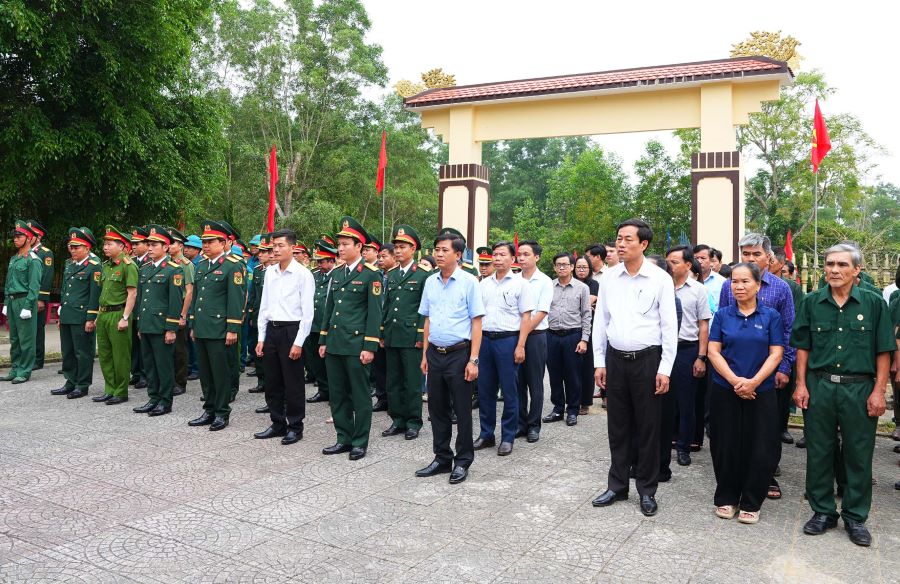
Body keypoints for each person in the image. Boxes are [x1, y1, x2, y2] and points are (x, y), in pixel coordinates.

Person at [792, 243, 895, 547]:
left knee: (858, 454)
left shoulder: (873, 304)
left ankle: (855, 516)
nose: (834, 270)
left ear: (856, 269)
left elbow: (884, 350)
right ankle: (823, 511)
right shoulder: (812, 302)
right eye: (830, 264)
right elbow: (803, 347)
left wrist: (879, 391)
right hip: (820, 385)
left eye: (842, 265)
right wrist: (801, 384)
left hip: (859, 388)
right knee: (819, 451)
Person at [591, 219, 677, 517]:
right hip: (615, 360)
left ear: (644, 244)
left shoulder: (659, 279)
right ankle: (617, 485)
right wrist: (599, 361)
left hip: (648, 361)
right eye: (619, 238)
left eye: (628, 239)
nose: (621, 244)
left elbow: (669, 326)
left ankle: (647, 490)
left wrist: (665, 368)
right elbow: (601, 321)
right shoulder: (609, 278)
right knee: (617, 426)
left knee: (648, 428)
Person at [719, 233, 795, 500]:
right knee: (735, 428)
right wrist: (730, 375)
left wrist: (784, 367)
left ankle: (767, 474)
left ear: (769, 257)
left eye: (756, 254)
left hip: (769, 372)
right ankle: (736, 477)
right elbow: (723, 326)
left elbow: (788, 330)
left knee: (767, 429)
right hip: (733, 371)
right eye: (746, 254)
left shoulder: (781, 288)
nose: (750, 259)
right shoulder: (729, 286)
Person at [707, 262, 784, 524]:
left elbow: (776, 354)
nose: (738, 286)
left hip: (760, 391)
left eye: (745, 281)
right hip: (725, 389)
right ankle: (727, 497)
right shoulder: (723, 315)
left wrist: (753, 382)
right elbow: (713, 351)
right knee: (725, 444)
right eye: (734, 281)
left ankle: (752, 500)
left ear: (758, 285)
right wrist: (735, 381)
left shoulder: (770, 316)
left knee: (760, 446)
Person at [415, 232, 485, 484]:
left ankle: (463, 460)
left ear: (458, 254)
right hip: (435, 353)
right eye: (437, 249)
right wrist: (425, 354)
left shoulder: (469, 282)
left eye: (445, 250)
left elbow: (477, 323)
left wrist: (473, 360)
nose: (439, 254)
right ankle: (442, 457)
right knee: (437, 408)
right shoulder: (430, 282)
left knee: (462, 410)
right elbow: (428, 319)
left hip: (459, 354)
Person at [318, 216, 382, 461]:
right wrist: (323, 340)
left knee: (360, 394)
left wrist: (370, 346)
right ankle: (343, 437)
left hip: (356, 345)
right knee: (338, 394)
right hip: (335, 343)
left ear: (359, 246)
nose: (341, 248)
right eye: (340, 244)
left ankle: (359, 441)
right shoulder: (336, 273)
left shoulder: (370, 275)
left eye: (345, 244)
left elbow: (374, 314)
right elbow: (330, 308)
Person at [253, 229, 315, 445]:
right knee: (272, 381)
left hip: (292, 330)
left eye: (281, 245)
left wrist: (298, 342)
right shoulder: (270, 272)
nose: (276, 250)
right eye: (274, 246)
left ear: (292, 247)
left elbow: (308, 314)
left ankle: (295, 426)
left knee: (293, 382)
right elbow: (264, 306)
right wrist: (261, 337)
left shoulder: (303, 274)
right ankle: (277, 422)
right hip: (272, 330)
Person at [475, 241, 534, 457]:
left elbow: (526, 317)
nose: (497, 258)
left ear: (512, 259)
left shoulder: (521, 284)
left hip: (508, 341)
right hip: (485, 341)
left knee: (510, 391)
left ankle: (508, 437)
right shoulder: (483, 284)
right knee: (485, 389)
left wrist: (521, 345)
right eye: (495, 255)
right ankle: (486, 434)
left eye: (502, 255)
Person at [187, 221, 245, 431]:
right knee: (206, 372)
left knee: (220, 373)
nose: (206, 245)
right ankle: (209, 409)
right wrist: (193, 324)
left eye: (211, 241)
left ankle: (221, 412)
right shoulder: (202, 265)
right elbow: (196, 297)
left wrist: (232, 329)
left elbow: (236, 300)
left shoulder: (232, 265)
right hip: (203, 327)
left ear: (223, 243)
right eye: (204, 241)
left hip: (220, 328)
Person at [380, 225, 430, 440]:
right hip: (392, 334)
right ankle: (397, 419)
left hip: (411, 336)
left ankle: (413, 421)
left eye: (403, 247)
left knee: (411, 382)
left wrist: (420, 335)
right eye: (397, 247)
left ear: (413, 249)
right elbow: (387, 305)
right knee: (393, 381)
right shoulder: (391, 274)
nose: (398, 251)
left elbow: (425, 309)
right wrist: (382, 332)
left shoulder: (423, 275)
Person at [665, 246, 711, 472]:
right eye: (668, 262)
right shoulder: (661, 286)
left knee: (686, 402)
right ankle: (663, 443)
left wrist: (701, 356)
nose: (670, 266)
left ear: (688, 265)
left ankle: (684, 446)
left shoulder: (698, 290)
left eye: (674, 262)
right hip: (662, 349)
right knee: (663, 400)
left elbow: (703, 324)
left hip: (687, 350)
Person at [131, 225, 184, 417]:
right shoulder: (145, 269)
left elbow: (175, 302)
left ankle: (165, 401)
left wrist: (171, 328)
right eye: (149, 245)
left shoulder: (173, 270)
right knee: (149, 365)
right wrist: (140, 324)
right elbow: (141, 299)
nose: (150, 248)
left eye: (154, 245)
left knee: (163, 365)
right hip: (147, 325)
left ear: (166, 247)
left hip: (162, 326)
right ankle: (153, 398)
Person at [52, 228, 102, 399]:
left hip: (82, 316)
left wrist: (91, 318)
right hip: (68, 314)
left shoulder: (94, 266)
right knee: (68, 351)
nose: (72, 250)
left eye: (77, 247)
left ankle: (82, 384)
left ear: (87, 248)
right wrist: (61, 314)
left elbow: (95, 294)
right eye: (71, 247)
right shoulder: (69, 265)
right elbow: (65, 291)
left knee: (83, 352)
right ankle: (70, 381)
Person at [92, 226, 139, 404]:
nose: (105, 247)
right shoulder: (105, 266)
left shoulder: (128, 266)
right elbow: (103, 293)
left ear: (121, 246)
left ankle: (121, 391)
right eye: (105, 244)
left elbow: (132, 293)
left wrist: (125, 318)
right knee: (105, 354)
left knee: (120, 355)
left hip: (118, 313)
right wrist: (98, 314)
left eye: (110, 244)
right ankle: (109, 389)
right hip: (104, 314)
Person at [544, 252, 592, 425]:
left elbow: (586, 314)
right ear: (554, 267)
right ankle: (558, 409)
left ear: (572, 267)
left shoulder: (582, 288)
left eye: (565, 264)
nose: (562, 267)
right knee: (554, 374)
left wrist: (584, 339)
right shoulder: (548, 286)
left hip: (573, 336)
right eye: (558, 264)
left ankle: (573, 410)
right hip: (551, 335)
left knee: (573, 375)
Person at [516, 240, 553, 442]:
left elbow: (541, 312)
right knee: (517, 383)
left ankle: (533, 425)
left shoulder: (544, 281)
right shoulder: (514, 279)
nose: (521, 258)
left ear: (537, 257)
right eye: (519, 254)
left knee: (535, 383)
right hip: (515, 337)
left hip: (536, 337)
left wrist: (523, 334)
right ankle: (520, 423)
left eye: (526, 254)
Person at [769, 245, 804, 445]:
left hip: (784, 345)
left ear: (781, 263)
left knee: (782, 393)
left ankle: (782, 427)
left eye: (773, 260)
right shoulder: (748, 282)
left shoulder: (790, 287)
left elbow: (793, 320)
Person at [2, 220, 44, 384]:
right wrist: (6, 302)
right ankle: (15, 368)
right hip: (13, 301)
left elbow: (34, 287)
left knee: (26, 339)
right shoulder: (14, 259)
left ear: (29, 238)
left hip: (24, 301)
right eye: (15, 236)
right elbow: (8, 282)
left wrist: (28, 306)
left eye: (19, 236)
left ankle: (24, 370)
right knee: (14, 339)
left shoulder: (33, 260)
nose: (15, 239)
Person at [305, 237, 337, 405]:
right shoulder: (314, 275)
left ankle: (333, 392)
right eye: (317, 261)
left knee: (329, 363)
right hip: (313, 323)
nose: (319, 265)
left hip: (328, 325)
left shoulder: (337, 275)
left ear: (331, 261)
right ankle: (323, 390)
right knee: (316, 360)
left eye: (322, 261)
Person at [167, 227, 194, 397]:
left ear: (181, 245)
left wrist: (183, 315)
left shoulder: (186, 265)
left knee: (179, 350)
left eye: (173, 243)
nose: (169, 246)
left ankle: (180, 382)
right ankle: (169, 380)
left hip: (180, 309)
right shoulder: (166, 263)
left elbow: (189, 291)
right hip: (168, 309)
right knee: (167, 349)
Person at [24, 220, 53, 370]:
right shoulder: (25, 252)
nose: (27, 237)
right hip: (26, 296)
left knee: (37, 329)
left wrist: (41, 299)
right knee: (27, 329)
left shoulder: (45, 253)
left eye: (31, 235)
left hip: (37, 298)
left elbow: (47, 276)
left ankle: (38, 359)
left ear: (38, 237)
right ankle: (27, 357)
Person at [247, 234, 273, 396]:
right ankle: (261, 381)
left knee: (270, 353)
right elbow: (253, 295)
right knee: (258, 351)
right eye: (260, 251)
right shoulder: (257, 270)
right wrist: (251, 313)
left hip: (272, 318)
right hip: (258, 316)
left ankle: (270, 384)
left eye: (264, 251)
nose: (260, 254)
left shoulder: (274, 271)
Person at [371, 241, 395, 412]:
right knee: (379, 366)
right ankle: (382, 397)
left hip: (392, 327)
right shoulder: (376, 275)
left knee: (392, 368)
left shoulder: (397, 277)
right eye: (379, 256)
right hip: (376, 326)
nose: (380, 260)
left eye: (384, 256)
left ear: (394, 257)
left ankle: (394, 400)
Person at [574, 255, 600, 413]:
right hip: (571, 328)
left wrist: (574, 306)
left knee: (587, 367)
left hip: (589, 328)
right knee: (572, 368)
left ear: (590, 269)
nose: (581, 270)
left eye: (584, 267)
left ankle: (585, 402)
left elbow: (586, 303)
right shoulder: (570, 283)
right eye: (578, 267)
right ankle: (573, 401)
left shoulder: (593, 284)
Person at [128, 226, 151, 389]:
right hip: (132, 309)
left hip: (144, 309)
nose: (134, 246)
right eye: (133, 244)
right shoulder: (132, 262)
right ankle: (135, 372)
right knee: (134, 344)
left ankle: (144, 374)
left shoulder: (150, 262)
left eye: (138, 243)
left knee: (143, 344)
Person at [183, 235, 203, 381]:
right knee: (187, 340)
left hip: (195, 306)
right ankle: (189, 366)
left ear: (197, 250)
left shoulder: (199, 264)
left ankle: (196, 368)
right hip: (187, 305)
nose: (186, 250)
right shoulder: (187, 263)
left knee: (193, 339)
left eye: (189, 247)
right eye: (185, 247)